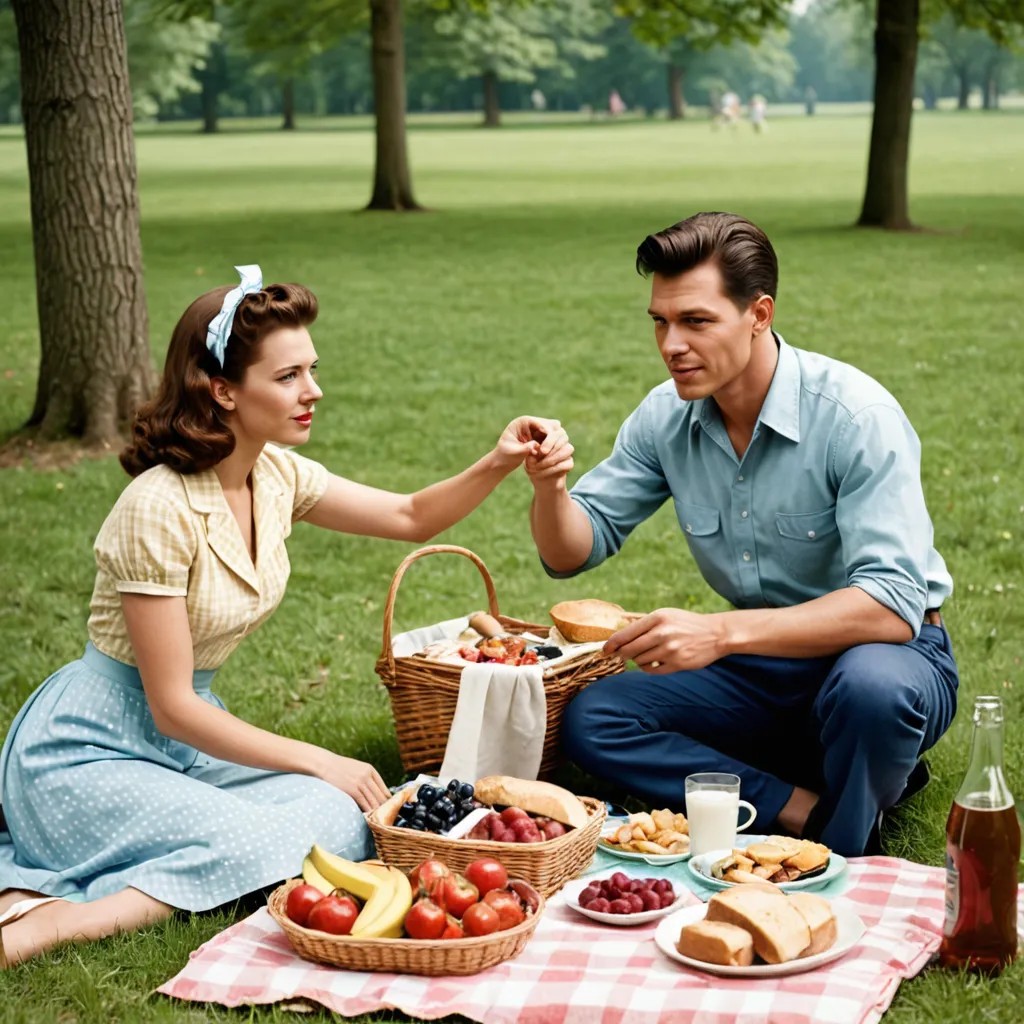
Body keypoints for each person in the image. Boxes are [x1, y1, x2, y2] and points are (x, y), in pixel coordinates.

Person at [0, 266, 569, 966]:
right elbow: (174, 705)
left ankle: (138, 879)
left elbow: (410, 515)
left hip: (183, 750)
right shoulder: (155, 508)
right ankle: (44, 926)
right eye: (289, 376)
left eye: (312, 370)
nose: (314, 391)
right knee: (263, 838)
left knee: (341, 816)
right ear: (223, 389)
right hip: (88, 753)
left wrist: (499, 460)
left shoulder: (274, 475)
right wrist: (317, 757)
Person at [524, 213, 959, 857]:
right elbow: (571, 552)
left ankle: (845, 855)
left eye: (696, 321)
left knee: (870, 692)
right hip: (765, 667)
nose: (671, 343)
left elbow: (893, 606)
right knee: (596, 718)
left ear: (758, 314)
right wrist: (550, 486)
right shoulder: (665, 416)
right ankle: (801, 806)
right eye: (659, 321)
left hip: (890, 657)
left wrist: (719, 633)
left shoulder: (856, 417)